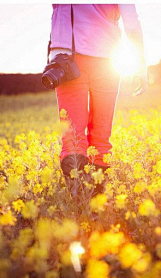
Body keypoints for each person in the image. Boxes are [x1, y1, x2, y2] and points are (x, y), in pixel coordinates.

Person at [48, 4, 147, 193]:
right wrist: (141, 65)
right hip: (108, 60)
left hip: (68, 60)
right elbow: (132, 25)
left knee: (73, 138)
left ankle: (79, 203)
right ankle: (98, 203)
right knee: (101, 135)